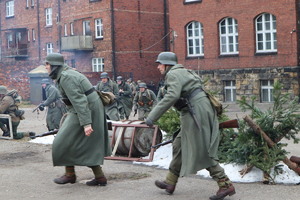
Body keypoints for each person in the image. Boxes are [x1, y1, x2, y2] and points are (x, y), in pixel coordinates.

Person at [145, 52, 235, 200]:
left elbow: (171, 96)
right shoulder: (183, 71)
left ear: (167, 64)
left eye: (160, 64)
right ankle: (170, 181)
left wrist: (151, 117)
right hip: (198, 109)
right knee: (179, 144)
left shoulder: (172, 74)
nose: (158, 67)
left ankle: (225, 184)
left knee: (201, 148)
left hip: (195, 112)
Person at [44, 53, 111, 186]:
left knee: (62, 140)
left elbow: (79, 101)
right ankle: (97, 177)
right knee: (78, 141)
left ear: (54, 66)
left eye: (47, 64)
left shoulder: (66, 77)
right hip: (84, 108)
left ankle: (72, 175)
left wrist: (86, 123)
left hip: (86, 109)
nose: (46, 67)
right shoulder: (64, 74)